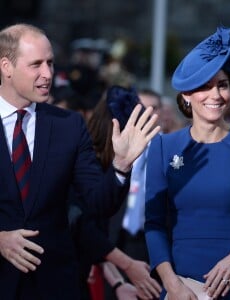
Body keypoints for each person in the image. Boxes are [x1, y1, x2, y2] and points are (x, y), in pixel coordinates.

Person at [0, 23, 160, 300]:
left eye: (50, 63)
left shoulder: (69, 125)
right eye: (36, 64)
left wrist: (120, 166)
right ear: (6, 66)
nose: (48, 74)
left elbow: (97, 203)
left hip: (54, 285)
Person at [144, 25, 230, 300]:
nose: (215, 95)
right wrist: (172, 285)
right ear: (186, 95)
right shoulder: (163, 146)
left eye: (222, 85)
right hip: (179, 289)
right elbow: (154, 225)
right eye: (204, 87)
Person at [72, 85, 162, 300]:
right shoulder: (85, 163)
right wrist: (126, 267)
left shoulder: (118, 165)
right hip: (67, 275)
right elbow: (83, 227)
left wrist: (119, 281)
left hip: (124, 255)